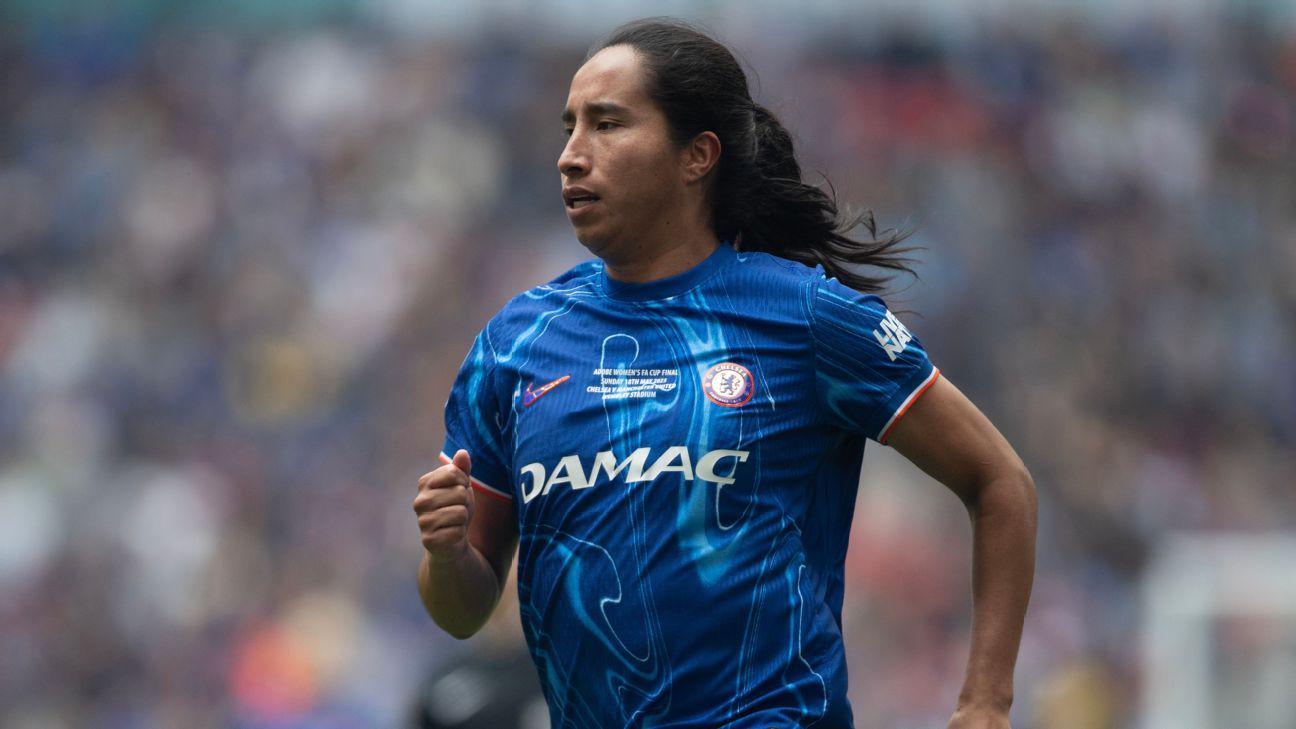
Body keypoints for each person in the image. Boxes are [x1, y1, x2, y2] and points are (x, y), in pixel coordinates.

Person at [413, 18, 1036, 729]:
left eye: (607, 124)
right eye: (569, 127)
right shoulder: (517, 342)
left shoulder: (806, 316)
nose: (570, 155)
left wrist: (986, 701)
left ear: (697, 155)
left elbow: (999, 480)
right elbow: (461, 611)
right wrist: (447, 552)